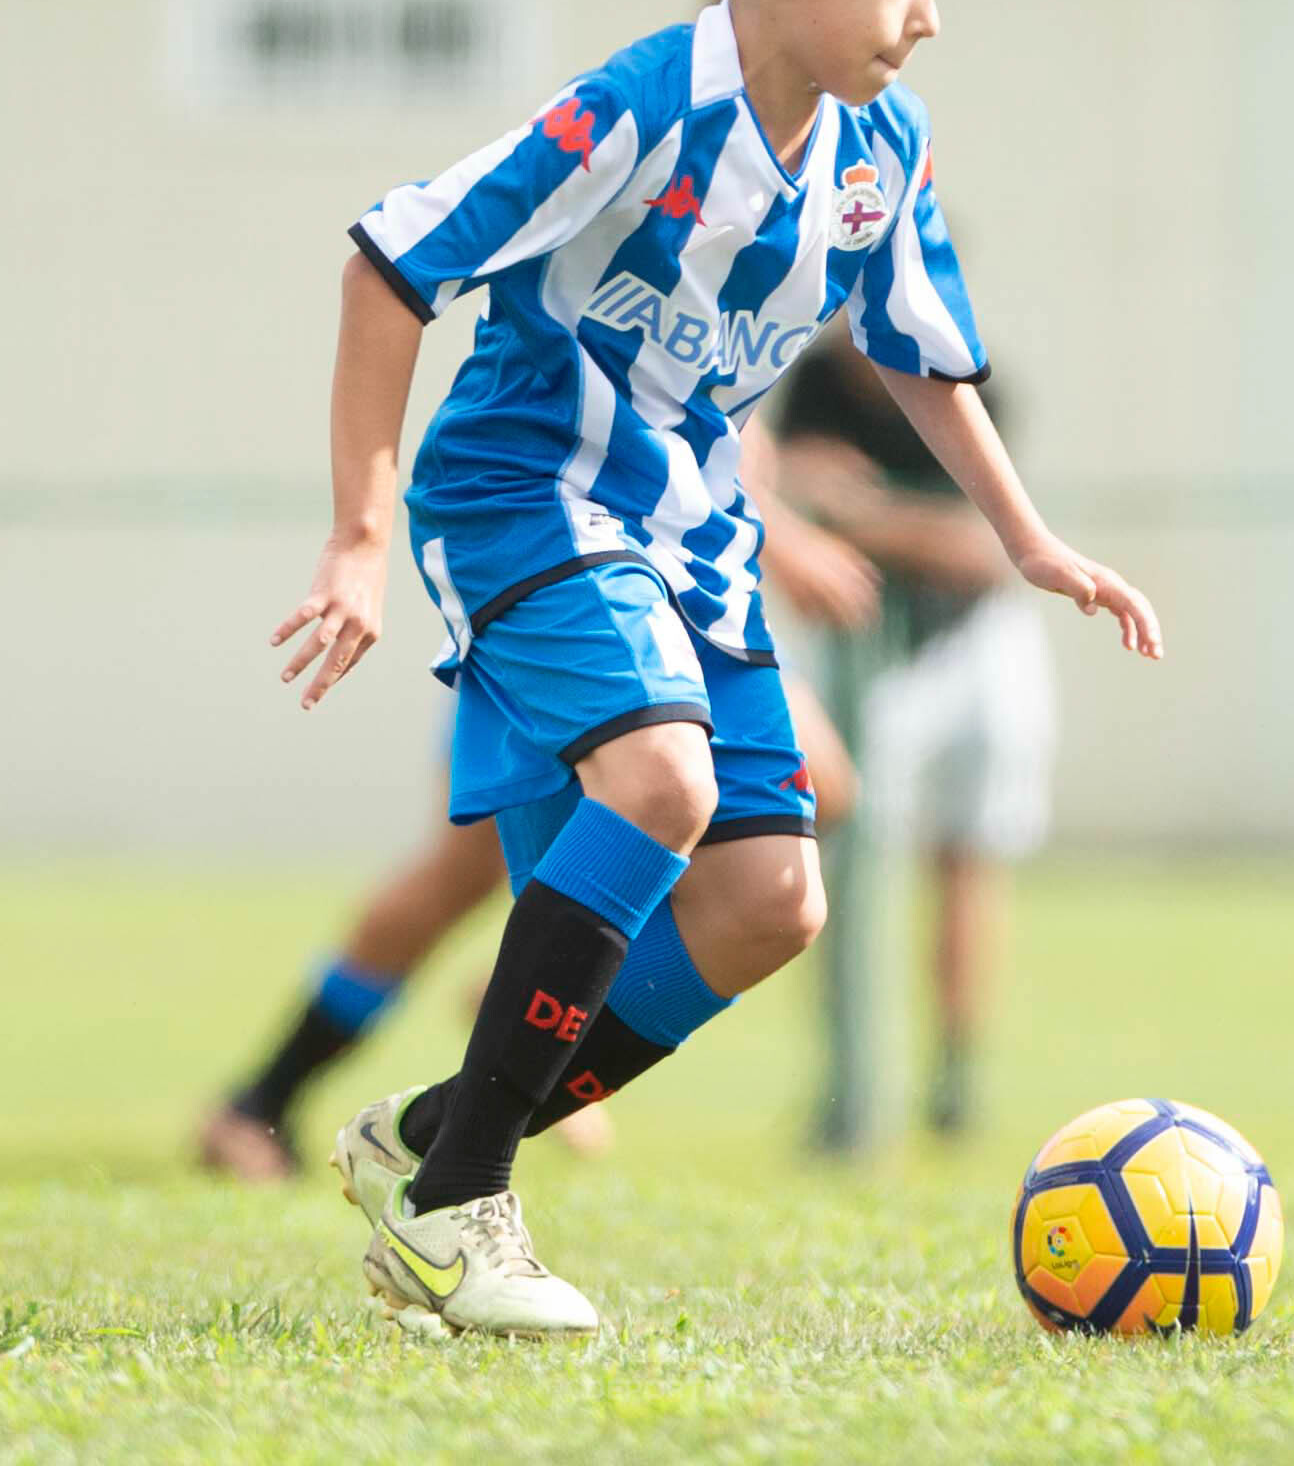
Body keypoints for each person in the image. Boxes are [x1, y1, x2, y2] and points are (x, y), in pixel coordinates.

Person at [268, 0, 1164, 1339]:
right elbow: (390, 260)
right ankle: (457, 1205)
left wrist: (1029, 541)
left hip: (690, 530)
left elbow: (923, 352)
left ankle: (427, 1138)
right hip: (524, 492)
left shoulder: (880, 149)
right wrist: (356, 534)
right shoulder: (635, 110)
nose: (927, 18)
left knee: (768, 899)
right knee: (664, 789)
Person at [197, 492, 873, 1182]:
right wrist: (789, 536)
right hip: (575, 577)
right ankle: (263, 1100)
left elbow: (724, 434)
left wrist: (780, 523)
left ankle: (540, 997)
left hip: (703, 586)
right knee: (458, 874)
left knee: (821, 796)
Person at [773, 330, 1056, 1139]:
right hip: (863, 647)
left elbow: (982, 547)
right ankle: (848, 1089)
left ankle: (953, 1079)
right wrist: (826, 506)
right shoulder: (817, 379)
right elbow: (780, 499)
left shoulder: (971, 380)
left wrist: (865, 513)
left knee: (969, 854)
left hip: (974, 639)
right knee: (840, 855)